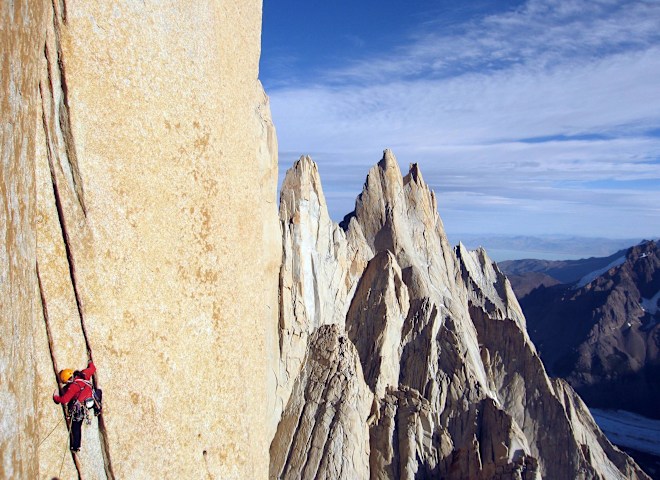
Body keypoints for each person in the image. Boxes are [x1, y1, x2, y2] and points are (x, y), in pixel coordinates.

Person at [53, 361, 102, 452]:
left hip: (82, 408)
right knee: (98, 391)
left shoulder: (72, 387)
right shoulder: (84, 375)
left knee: (76, 427)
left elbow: (64, 400)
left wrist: (56, 397)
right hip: (91, 402)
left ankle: (76, 447)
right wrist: (90, 363)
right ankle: (97, 409)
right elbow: (93, 368)